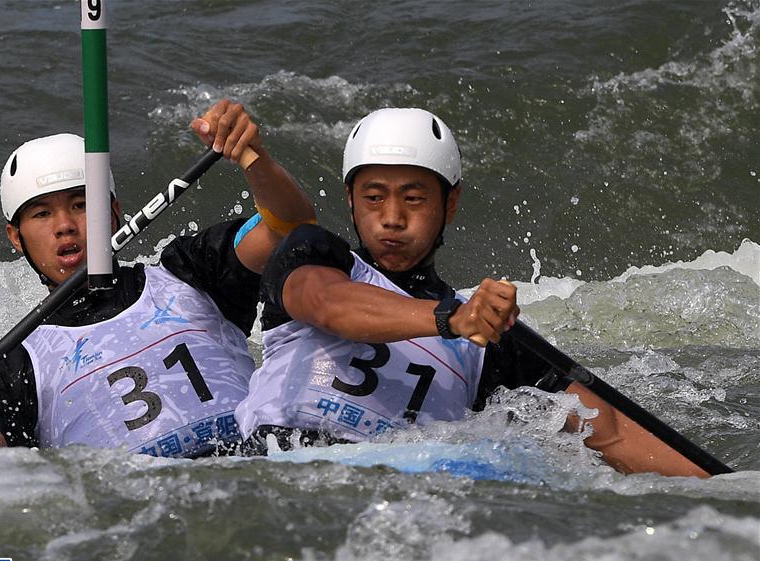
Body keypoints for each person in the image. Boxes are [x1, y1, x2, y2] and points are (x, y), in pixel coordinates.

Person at [235, 107, 709, 477]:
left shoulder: (484, 337)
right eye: (374, 197)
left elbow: (609, 431)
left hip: (392, 486)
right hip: (275, 462)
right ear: (351, 200)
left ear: (451, 203)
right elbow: (328, 305)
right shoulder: (312, 253)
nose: (393, 217)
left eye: (415, 198)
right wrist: (449, 320)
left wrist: (726, 494)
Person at [0, 99, 316, 458]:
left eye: (81, 205)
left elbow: (292, 228)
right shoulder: (12, 362)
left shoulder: (192, 272)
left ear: (115, 211)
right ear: (16, 237)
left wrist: (252, 156)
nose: (65, 226)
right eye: (42, 214)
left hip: (263, 464)